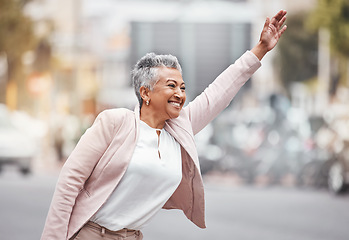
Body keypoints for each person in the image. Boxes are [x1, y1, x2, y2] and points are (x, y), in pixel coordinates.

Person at [41, 10, 287, 240]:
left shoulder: (180, 128)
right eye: (171, 86)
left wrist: (261, 49)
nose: (180, 93)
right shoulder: (115, 122)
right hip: (92, 234)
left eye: (182, 87)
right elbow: (70, 180)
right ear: (145, 93)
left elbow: (219, 92)